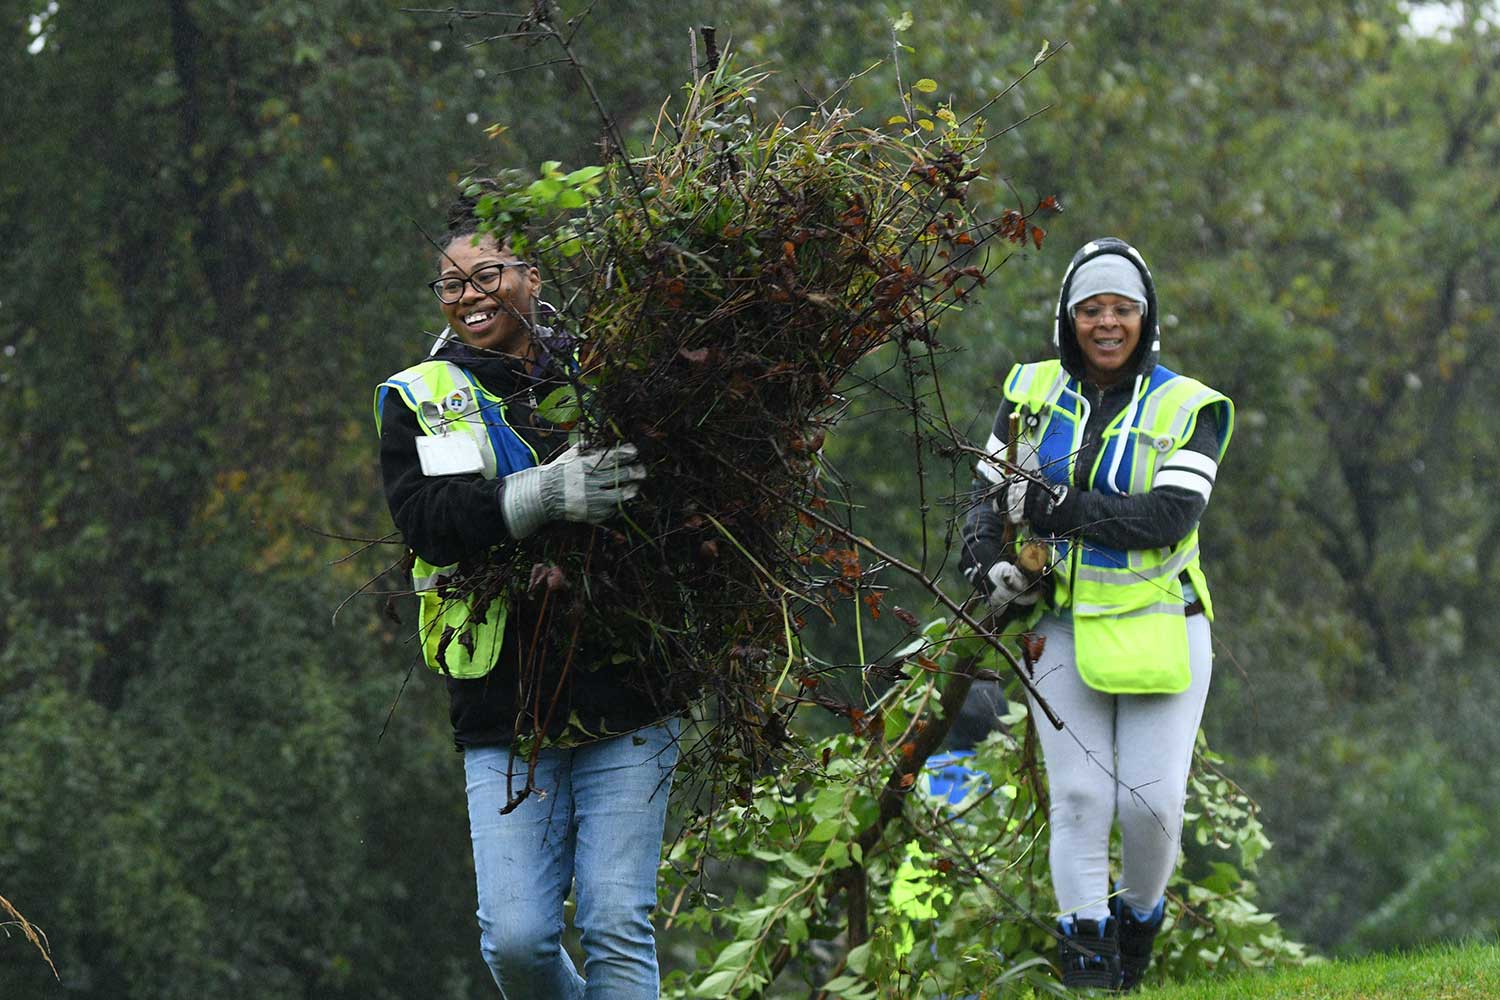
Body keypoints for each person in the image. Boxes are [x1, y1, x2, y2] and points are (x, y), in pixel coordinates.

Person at [374, 199, 682, 999]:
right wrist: (539, 495)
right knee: (516, 943)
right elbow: (429, 523)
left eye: (487, 276)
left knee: (616, 923)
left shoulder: (612, 374)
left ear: (531, 279)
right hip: (501, 702)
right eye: (450, 285)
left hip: (628, 681)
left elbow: (673, 499)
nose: (470, 296)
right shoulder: (421, 395)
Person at [959, 237, 1233, 992]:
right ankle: (1085, 960)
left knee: (1151, 804)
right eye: (1091, 309)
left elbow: (1166, 517)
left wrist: (1054, 508)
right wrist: (990, 568)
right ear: (1068, 316)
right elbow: (984, 501)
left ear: (1145, 319)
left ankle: (1138, 927)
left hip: (1164, 626)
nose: (1106, 323)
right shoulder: (1028, 392)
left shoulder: (1189, 405)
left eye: (1122, 309)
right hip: (1063, 626)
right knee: (1080, 798)